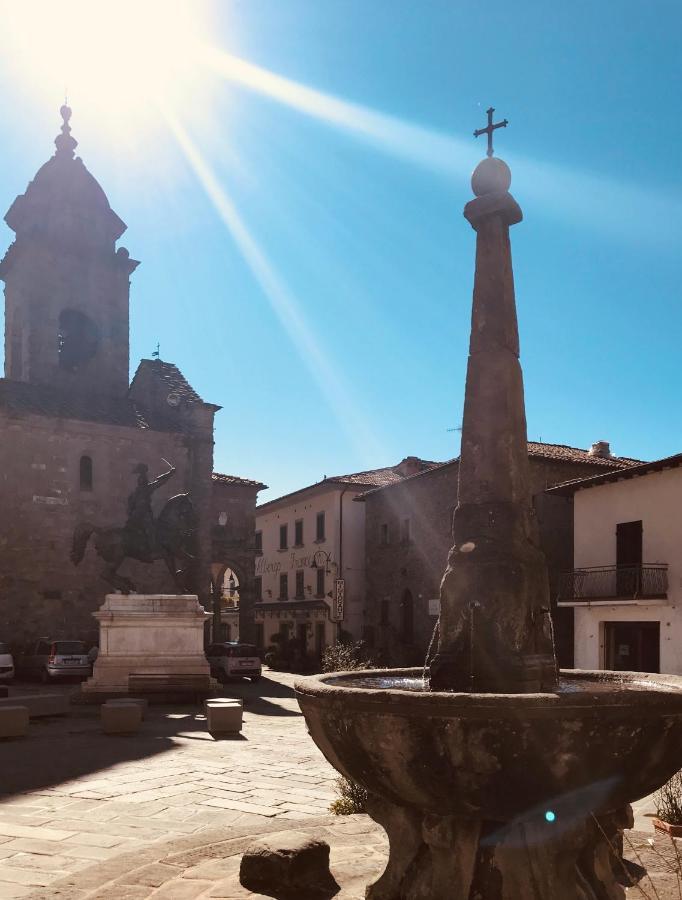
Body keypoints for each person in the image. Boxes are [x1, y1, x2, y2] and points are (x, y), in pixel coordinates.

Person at [125, 459, 176, 561]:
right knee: (152, 530)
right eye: (144, 478)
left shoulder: (136, 491)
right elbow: (160, 482)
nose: (146, 479)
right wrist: (171, 473)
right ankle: (153, 551)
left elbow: (129, 506)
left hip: (136, 516)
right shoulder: (146, 489)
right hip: (143, 515)